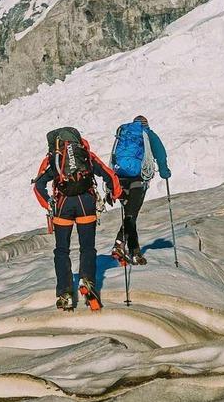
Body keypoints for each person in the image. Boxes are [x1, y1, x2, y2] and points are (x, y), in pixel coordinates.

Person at [33, 127, 121, 311]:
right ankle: (87, 280)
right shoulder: (86, 155)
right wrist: (115, 193)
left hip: (63, 204)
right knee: (87, 247)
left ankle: (65, 292)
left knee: (61, 250)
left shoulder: (54, 159)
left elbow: (38, 185)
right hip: (86, 202)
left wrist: (49, 203)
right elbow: (108, 175)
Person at [109, 115, 171, 265]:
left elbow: (114, 155)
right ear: (146, 124)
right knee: (132, 214)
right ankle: (119, 243)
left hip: (120, 177)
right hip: (138, 178)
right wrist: (164, 172)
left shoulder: (124, 133)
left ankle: (134, 252)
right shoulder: (147, 133)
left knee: (131, 214)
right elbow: (160, 155)